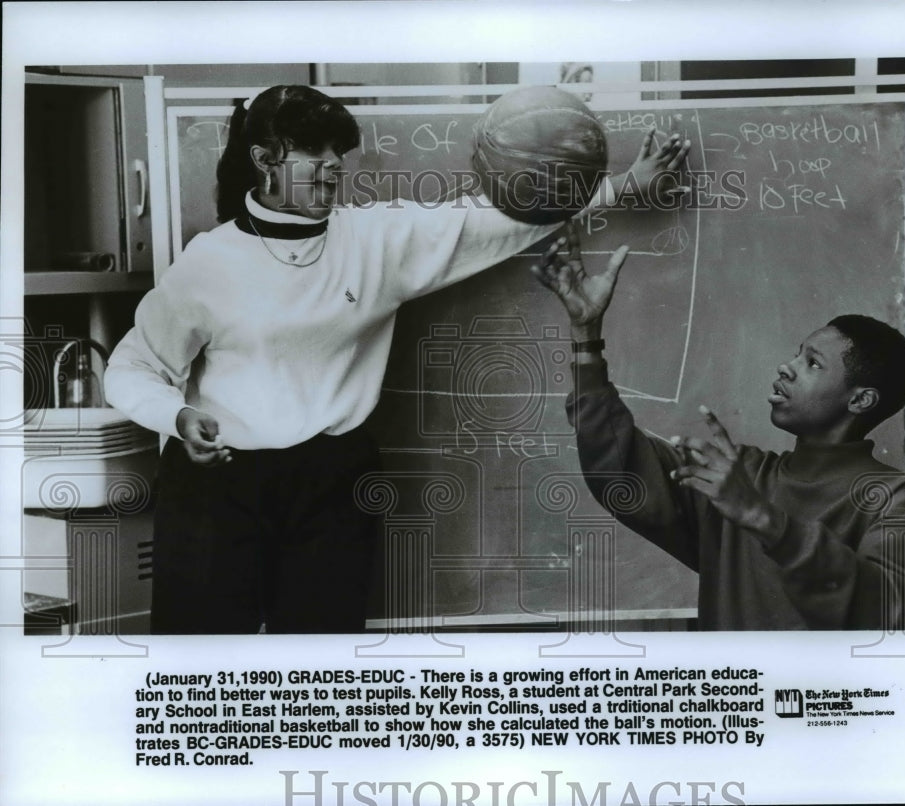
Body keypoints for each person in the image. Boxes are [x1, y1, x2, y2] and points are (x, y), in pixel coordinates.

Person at [104, 84, 691, 634]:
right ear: (264, 159)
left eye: (340, 150)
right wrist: (178, 418)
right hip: (218, 485)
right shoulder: (209, 263)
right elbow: (132, 368)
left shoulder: (375, 241)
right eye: (314, 150)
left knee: (319, 676)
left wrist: (620, 187)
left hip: (331, 485)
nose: (334, 163)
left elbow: (504, 221)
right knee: (202, 670)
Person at [533, 222, 905, 631]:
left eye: (812, 363)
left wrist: (765, 519)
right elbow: (621, 474)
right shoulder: (740, 475)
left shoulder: (901, 500)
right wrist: (586, 338)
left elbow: (886, 614)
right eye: (797, 354)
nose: (786, 367)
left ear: (860, 400)